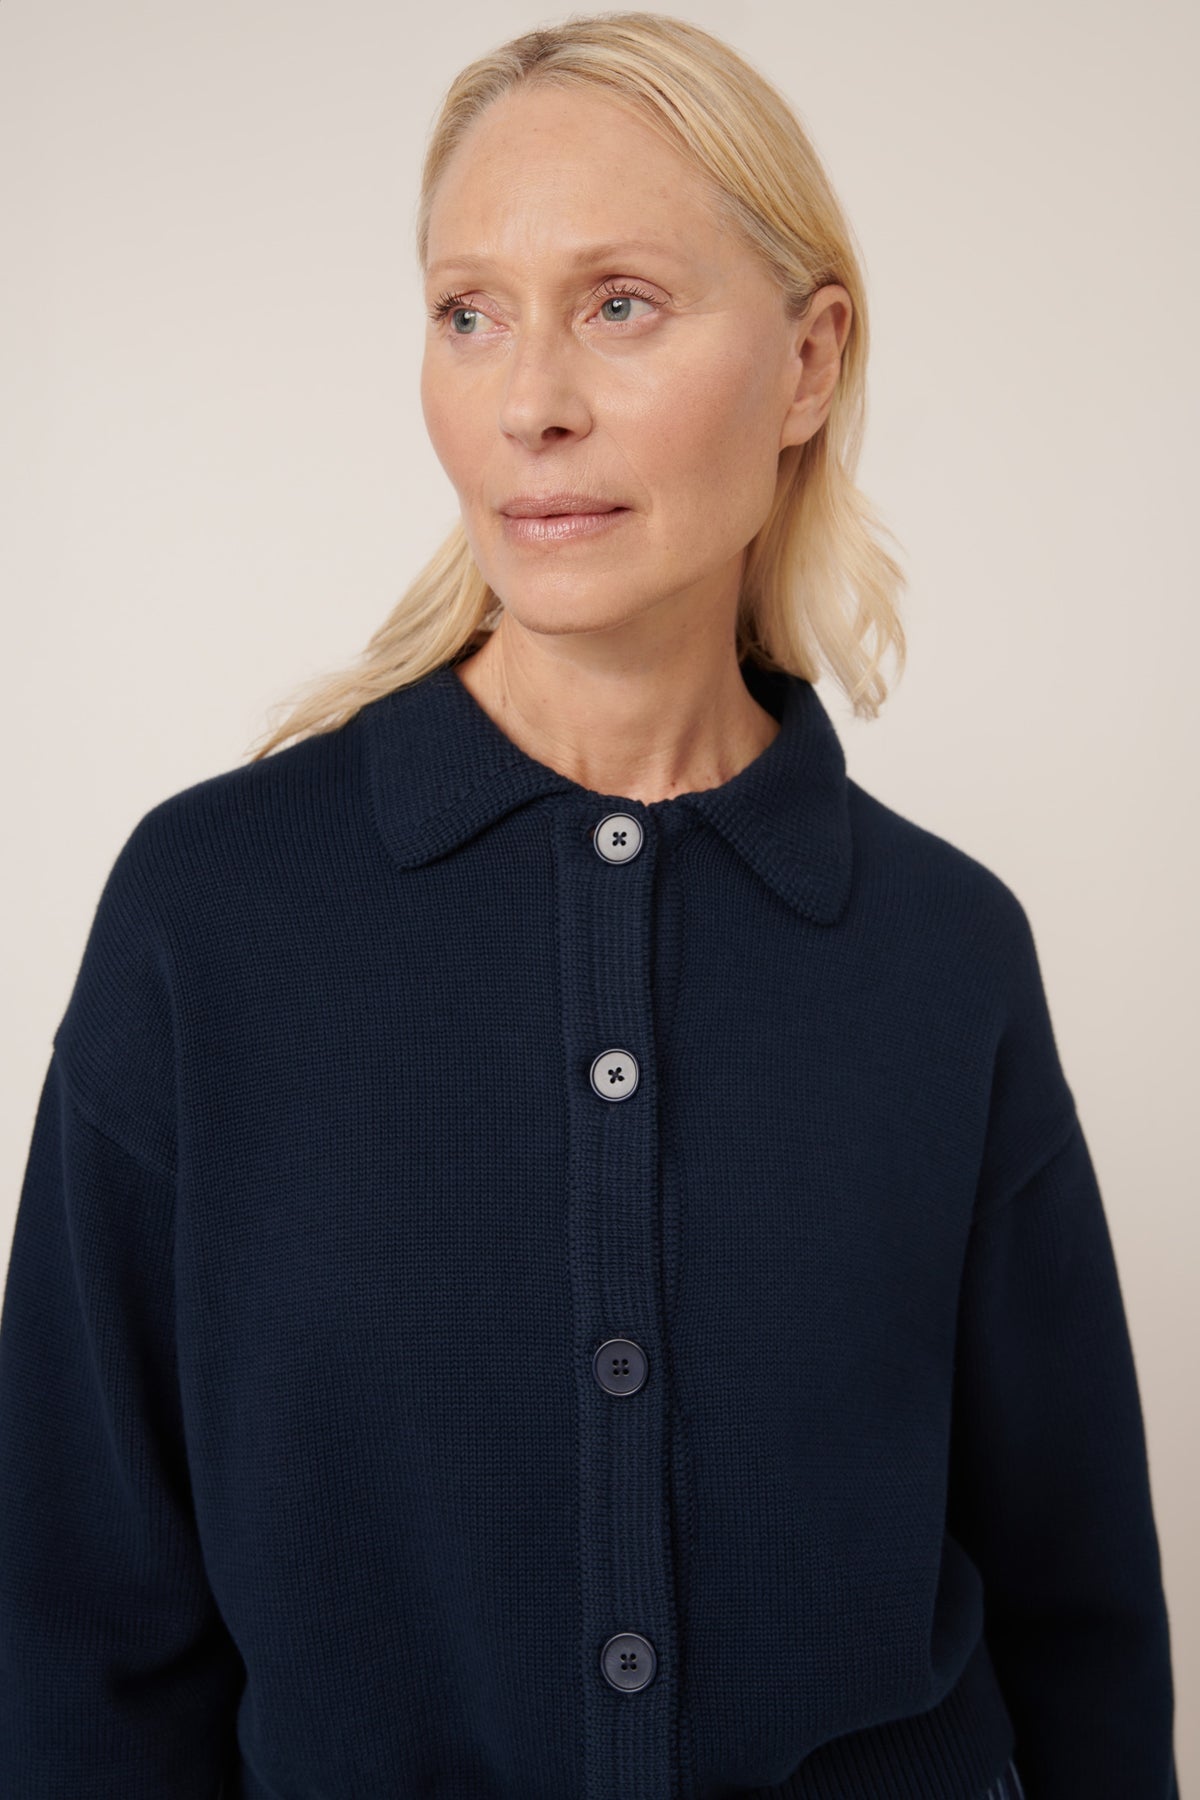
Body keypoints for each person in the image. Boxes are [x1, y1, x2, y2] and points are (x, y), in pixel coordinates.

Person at [0, 12, 1178, 1799]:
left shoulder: (947, 956)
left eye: (620, 303)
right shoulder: (212, 918)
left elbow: (1081, 1624)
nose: (529, 398)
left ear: (806, 361)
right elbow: (77, 1631)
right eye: (469, 312)